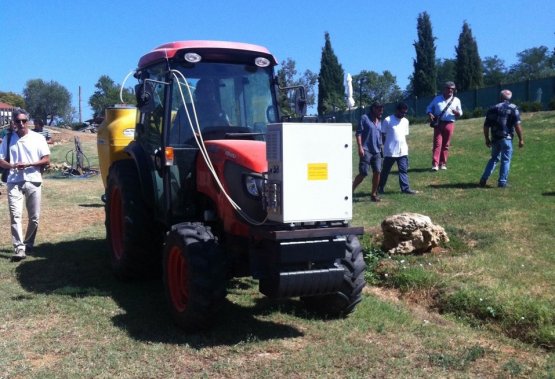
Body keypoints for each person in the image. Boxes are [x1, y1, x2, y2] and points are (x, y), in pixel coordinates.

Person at [0, 109, 51, 261]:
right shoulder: (8, 138)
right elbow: (1, 160)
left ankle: (28, 243)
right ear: (13, 122)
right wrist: (13, 166)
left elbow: (46, 159)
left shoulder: (38, 138)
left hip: (33, 180)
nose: (21, 123)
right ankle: (19, 248)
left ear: (27, 121)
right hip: (14, 181)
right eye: (18, 121)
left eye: (23, 120)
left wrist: (28, 164)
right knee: (15, 215)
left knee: (34, 217)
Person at [479, 90, 524, 188]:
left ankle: (484, 179)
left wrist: (487, 138)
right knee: (506, 160)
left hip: (495, 138)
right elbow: (517, 125)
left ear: (500, 97)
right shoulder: (513, 108)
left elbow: (486, 126)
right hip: (507, 138)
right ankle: (502, 182)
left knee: (494, 159)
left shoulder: (492, 108)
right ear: (510, 98)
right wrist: (521, 139)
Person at [378, 102, 418, 195]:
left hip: (403, 151)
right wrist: (385, 145)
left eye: (405, 113)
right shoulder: (387, 120)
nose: (403, 115)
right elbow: (383, 134)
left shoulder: (406, 121)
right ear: (397, 110)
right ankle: (380, 188)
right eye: (402, 112)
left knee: (403, 170)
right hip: (390, 151)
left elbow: (403, 135)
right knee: (385, 171)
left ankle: (405, 188)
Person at [426, 81, 463, 171]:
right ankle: (435, 164)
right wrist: (430, 114)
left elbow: (461, 113)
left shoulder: (456, 100)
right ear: (444, 89)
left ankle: (443, 164)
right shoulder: (437, 99)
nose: (450, 90)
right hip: (438, 123)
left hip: (449, 123)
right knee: (437, 144)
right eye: (448, 88)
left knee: (446, 145)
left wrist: (457, 113)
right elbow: (428, 108)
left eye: (452, 89)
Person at [352, 102, 384, 202]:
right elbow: (358, 134)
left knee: (378, 171)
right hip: (366, 150)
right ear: (373, 108)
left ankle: (373, 194)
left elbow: (379, 134)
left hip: (377, 151)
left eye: (382, 110)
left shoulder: (379, 120)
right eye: (379, 110)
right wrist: (360, 147)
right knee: (363, 173)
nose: (381, 112)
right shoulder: (364, 118)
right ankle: (349, 191)